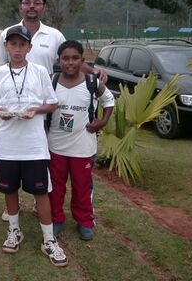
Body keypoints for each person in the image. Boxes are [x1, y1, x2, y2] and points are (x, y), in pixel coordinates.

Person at [0, 0, 107, 221]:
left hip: (49, 107)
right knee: (15, 155)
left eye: (37, 3)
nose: (32, 7)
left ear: (43, 7)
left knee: (46, 156)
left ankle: (43, 202)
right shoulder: (7, 33)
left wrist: (93, 71)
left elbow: (71, 58)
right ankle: (12, 206)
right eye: (27, 3)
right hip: (16, 112)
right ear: (20, 7)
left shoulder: (55, 35)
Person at [0, 25, 68, 267]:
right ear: (6, 46)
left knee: (41, 192)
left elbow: (52, 103)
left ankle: (49, 240)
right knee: (9, 190)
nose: (18, 49)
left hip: (34, 146)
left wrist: (35, 110)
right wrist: (3, 111)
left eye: (22, 45)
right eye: (13, 44)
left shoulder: (40, 71)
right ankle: (14, 230)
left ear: (29, 47)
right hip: (8, 145)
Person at [48, 40, 115, 240]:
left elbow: (109, 100)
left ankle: (85, 221)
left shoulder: (91, 83)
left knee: (82, 187)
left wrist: (102, 122)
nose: (70, 63)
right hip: (55, 146)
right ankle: (56, 219)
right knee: (56, 187)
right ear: (58, 61)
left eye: (75, 58)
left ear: (82, 60)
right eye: (65, 58)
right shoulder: (51, 80)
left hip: (83, 148)